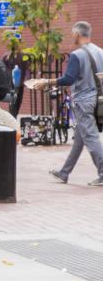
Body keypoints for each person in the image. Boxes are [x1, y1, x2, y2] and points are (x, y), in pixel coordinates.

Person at [35, 21, 103, 186]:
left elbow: (68, 79)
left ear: (77, 35)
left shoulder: (77, 55)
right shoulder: (100, 52)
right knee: (80, 137)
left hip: (83, 102)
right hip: (97, 99)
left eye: (73, 34)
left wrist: (47, 81)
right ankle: (64, 172)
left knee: (91, 137)